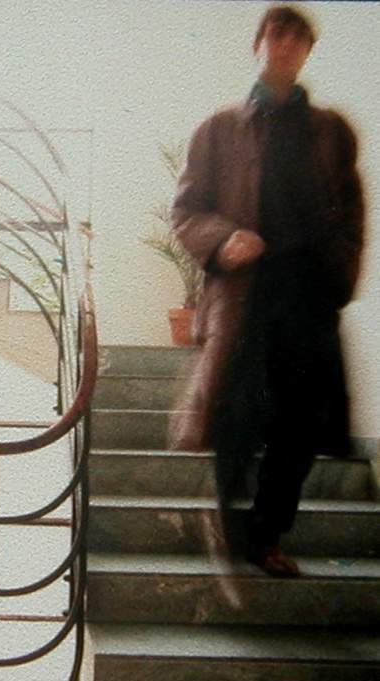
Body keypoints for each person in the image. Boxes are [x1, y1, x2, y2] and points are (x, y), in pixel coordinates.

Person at [170, 5, 364, 577]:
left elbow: (352, 214)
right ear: (258, 45)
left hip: (308, 296)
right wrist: (223, 238)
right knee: (235, 418)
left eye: (298, 38)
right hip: (245, 297)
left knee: (300, 425)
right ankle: (227, 525)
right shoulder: (218, 129)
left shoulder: (331, 132)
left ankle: (266, 535)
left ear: (307, 53)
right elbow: (185, 211)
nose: (286, 45)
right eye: (276, 35)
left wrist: (338, 275)